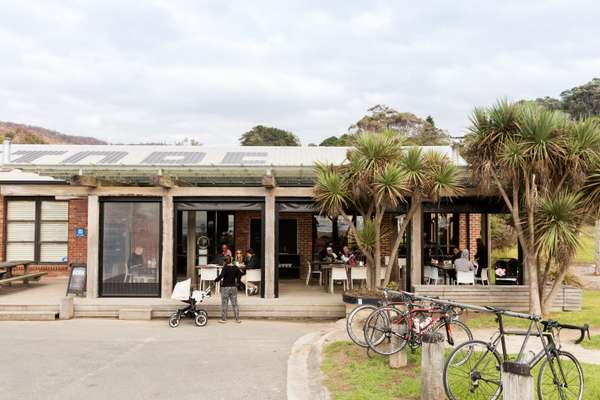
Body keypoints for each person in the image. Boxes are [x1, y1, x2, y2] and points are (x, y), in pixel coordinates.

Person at [214, 256, 243, 323]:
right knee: (235, 303)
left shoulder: (225, 267)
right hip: (233, 287)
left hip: (225, 287)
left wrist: (215, 280)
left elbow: (221, 276)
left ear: (225, 261)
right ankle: (237, 319)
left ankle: (224, 319)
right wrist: (237, 281)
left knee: (224, 303)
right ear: (231, 260)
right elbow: (239, 275)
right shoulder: (235, 267)